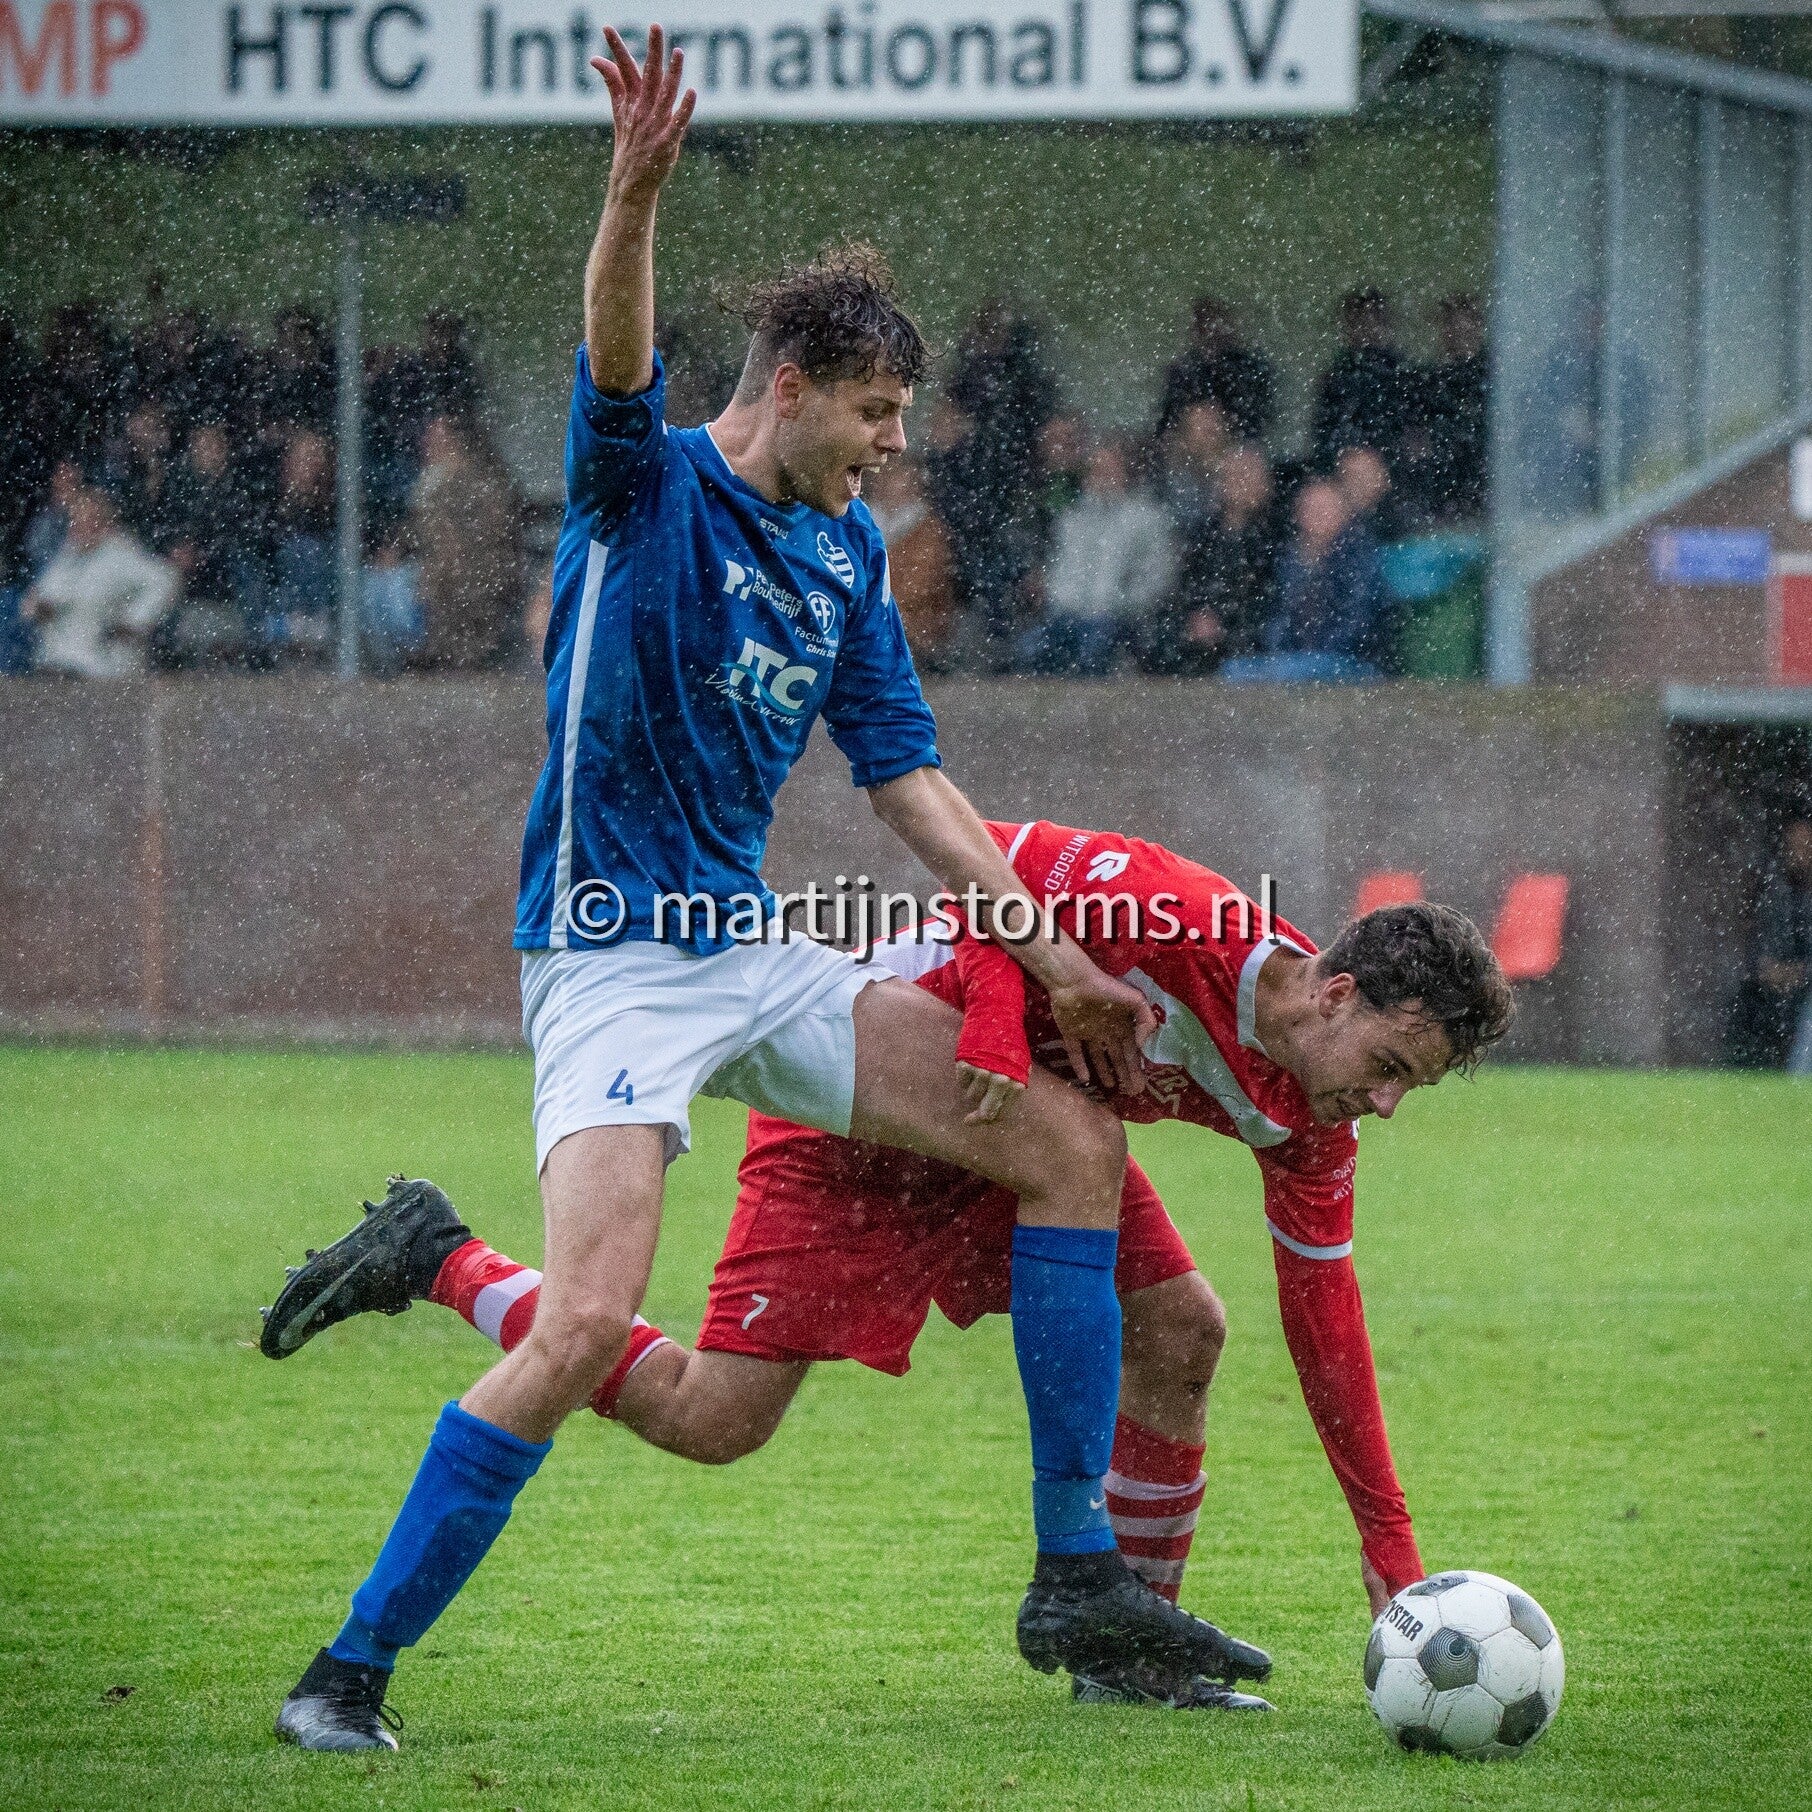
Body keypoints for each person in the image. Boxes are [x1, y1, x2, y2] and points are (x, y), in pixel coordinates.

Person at [261, 26, 1236, 1754]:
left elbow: (908, 778)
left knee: (1070, 1145)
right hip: (610, 959)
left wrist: (1053, 961)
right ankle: (346, 1672)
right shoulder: (643, 488)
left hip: (751, 947)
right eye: (872, 415)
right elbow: (616, 355)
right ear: (788, 386)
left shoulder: (843, 548)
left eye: (902, 421)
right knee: (583, 1328)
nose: (890, 449)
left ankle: (1077, 1574)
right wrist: (631, 196)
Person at [269, 821, 1513, 1713]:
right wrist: (996, 1024)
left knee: (1183, 1329)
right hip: (871, 1106)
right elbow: (991, 860)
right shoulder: (1184, 916)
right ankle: (443, 1258)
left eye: (1409, 1087)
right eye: (1390, 1067)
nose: (1385, 1105)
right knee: (714, 1418)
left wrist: (1390, 1547)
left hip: (1028, 1147)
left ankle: (1120, 1647)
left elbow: (1325, 1319)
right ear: (1336, 993)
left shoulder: (1315, 1119)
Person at [1018, 435, 1177, 677]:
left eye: (1110, 469)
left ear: (1126, 473)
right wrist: (1057, 597)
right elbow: (1059, 566)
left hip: (1117, 618)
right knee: (1030, 650)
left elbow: (1156, 576)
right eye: (1096, 469)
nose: (1102, 477)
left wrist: (1122, 604)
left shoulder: (1147, 519)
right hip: (1067, 615)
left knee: (1092, 650)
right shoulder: (1071, 517)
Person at [21, 463, 178, 676]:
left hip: (104, 667)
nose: (78, 527)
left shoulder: (121, 554)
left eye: (86, 519)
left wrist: (133, 622)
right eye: (75, 520)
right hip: (60, 661)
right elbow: (43, 597)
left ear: (102, 521)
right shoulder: (67, 556)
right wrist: (40, 607)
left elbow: (165, 579)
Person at [1139, 442, 1280, 674]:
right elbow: (1186, 587)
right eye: (1230, 475)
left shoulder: (1276, 536)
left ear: (1265, 485)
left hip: (1248, 639)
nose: (1237, 483)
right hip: (1197, 634)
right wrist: (1197, 616)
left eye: (1246, 475)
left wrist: (1221, 624)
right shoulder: (1203, 535)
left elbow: (1267, 600)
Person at [1236, 478, 1386, 681]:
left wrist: (1315, 653)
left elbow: (1358, 622)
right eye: (1310, 507)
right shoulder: (1286, 558)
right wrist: (1280, 649)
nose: (1318, 515)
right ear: (1297, 514)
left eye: (1326, 508)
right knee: (1234, 671)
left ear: (1345, 514)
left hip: (1349, 661)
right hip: (1292, 660)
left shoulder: (1359, 558)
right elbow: (1275, 614)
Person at [404, 415, 523, 671]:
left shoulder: (480, 482)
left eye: (436, 437)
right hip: (448, 575)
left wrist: (446, 561)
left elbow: (492, 538)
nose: (426, 443)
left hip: (475, 577)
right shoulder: (434, 481)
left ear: (456, 441)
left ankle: (453, 657)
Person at [863, 454, 957, 670]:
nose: (885, 482)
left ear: (916, 483)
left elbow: (917, 589)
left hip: (912, 632)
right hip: (868, 623)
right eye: (882, 475)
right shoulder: (857, 521)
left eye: (896, 475)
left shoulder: (930, 531)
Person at [1312, 289, 1410, 475]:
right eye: (1359, 321)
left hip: (1393, 469)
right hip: (1347, 469)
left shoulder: (1403, 375)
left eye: (1374, 319)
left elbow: (1409, 435)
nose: (1367, 328)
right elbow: (1326, 436)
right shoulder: (1337, 377)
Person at [1157, 296, 1276, 444]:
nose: (1210, 330)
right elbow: (1167, 425)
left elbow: (1259, 420)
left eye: (1214, 323)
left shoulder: (1250, 368)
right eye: (1203, 324)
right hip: (1193, 445)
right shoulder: (1184, 371)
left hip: (1238, 444)